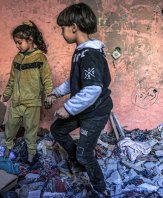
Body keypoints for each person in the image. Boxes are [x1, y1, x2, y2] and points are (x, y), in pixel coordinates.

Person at [46, 3, 112, 197]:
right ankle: (77, 161)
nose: (61, 32)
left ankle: (100, 189)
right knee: (57, 129)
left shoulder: (89, 54)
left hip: (96, 110)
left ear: (74, 27)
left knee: (85, 153)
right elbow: (74, 81)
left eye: (63, 28)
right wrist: (55, 93)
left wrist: (67, 108)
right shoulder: (81, 51)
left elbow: (92, 89)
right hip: (84, 107)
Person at [2, 20, 53, 163]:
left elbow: (47, 79)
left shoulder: (40, 57)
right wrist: (7, 94)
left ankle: (31, 154)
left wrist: (49, 94)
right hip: (16, 102)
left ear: (30, 39)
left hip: (32, 103)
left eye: (19, 42)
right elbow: (12, 79)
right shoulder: (17, 58)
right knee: (10, 127)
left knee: (31, 131)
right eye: (16, 43)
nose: (17, 46)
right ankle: (7, 149)